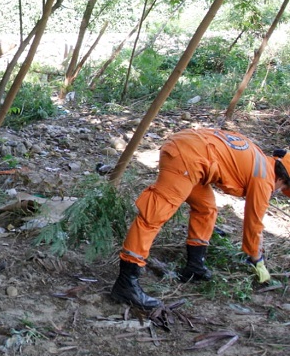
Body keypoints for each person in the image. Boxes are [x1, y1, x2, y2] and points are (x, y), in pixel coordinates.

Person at [111, 128, 290, 310]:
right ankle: (126, 283)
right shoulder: (264, 178)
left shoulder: (260, 159)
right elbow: (254, 223)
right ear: (283, 178)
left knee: (206, 208)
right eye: (283, 188)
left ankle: (195, 266)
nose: (279, 192)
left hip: (193, 153)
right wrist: (257, 259)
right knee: (154, 214)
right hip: (188, 156)